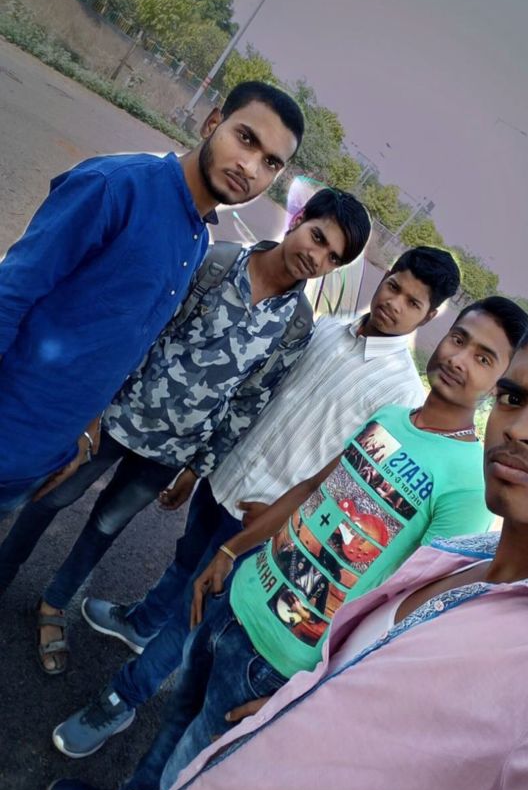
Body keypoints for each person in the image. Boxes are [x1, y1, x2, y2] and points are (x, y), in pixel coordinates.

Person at [49, 304, 528, 790]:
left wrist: (305, 696)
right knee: (172, 736)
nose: (523, 428)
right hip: (242, 599)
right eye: (515, 396)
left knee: (195, 762)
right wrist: (232, 551)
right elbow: (315, 492)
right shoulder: (453, 528)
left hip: (277, 662)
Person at [53, 245, 460, 753]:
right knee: (184, 564)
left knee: (196, 610)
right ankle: (139, 623)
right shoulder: (329, 328)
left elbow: (348, 478)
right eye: (394, 286)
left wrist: (284, 517)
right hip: (228, 477)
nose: (393, 303)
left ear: (430, 316)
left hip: (266, 515)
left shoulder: (400, 392)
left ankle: (123, 699)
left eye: (413, 302)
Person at [0, 186, 370, 673]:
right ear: (298, 220)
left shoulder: (297, 325)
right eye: (318, 237)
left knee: (106, 525)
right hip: (117, 414)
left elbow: (247, 400)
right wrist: (92, 407)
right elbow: (144, 329)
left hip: (169, 451)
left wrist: (198, 467)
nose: (316, 257)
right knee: (52, 496)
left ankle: (54, 604)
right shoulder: (217, 262)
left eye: (332, 257)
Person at [0, 80, 304, 515]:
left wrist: (84, 430)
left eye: (270, 162)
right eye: (245, 138)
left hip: (42, 456)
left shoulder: (198, 241)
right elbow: (11, 294)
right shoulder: (116, 187)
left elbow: (122, 342)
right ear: (212, 123)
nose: (251, 166)